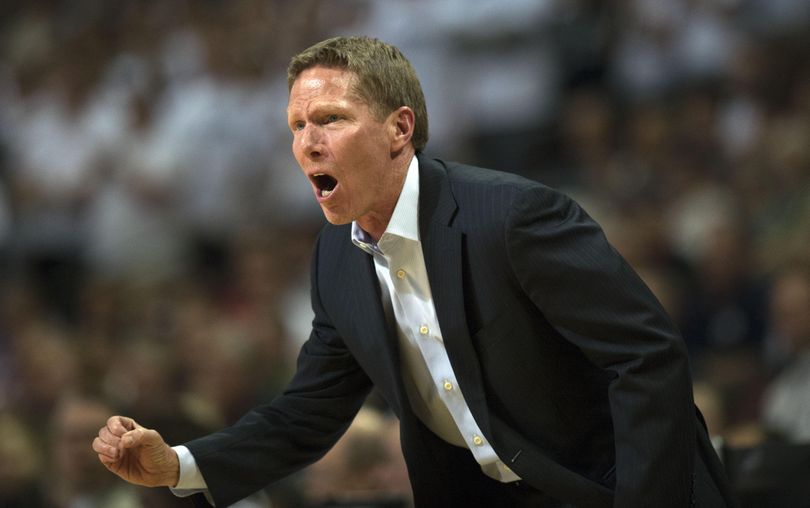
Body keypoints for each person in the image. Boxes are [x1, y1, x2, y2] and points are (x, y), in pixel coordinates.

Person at [93, 36, 737, 508]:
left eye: (330, 120)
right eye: (295, 125)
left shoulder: (511, 218)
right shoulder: (337, 259)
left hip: (614, 488)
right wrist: (177, 465)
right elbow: (305, 415)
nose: (307, 142)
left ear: (400, 129)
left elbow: (646, 356)